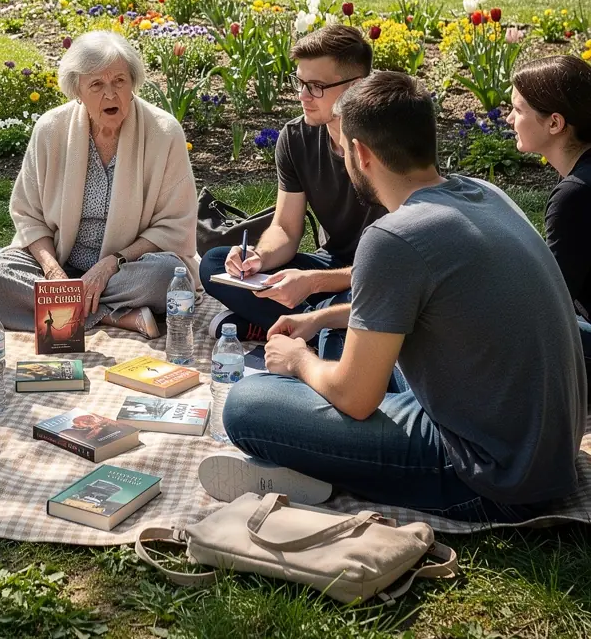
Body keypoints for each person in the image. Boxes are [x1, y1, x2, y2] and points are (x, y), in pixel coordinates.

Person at [200, 73, 586, 522]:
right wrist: (321, 321)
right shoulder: (484, 193)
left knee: (248, 405)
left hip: (491, 474)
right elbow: (432, 312)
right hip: (544, 453)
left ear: (362, 153)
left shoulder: (393, 237)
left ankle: (312, 461)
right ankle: (327, 439)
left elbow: (355, 397)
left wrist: (297, 360)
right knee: (336, 335)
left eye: (342, 148)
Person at [0, 31, 197, 339]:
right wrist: (53, 274)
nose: (111, 95)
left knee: (167, 277)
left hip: (128, 268)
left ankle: (61, 312)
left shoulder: (165, 132)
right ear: (77, 90)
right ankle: (114, 318)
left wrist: (109, 266)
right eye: (97, 85)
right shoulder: (50, 129)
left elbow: (174, 225)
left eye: (119, 81)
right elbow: (28, 216)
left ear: (133, 84)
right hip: (61, 262)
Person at [200, 26, 382, 342]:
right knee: (215, 265)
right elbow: (285, 228)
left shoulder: (387, 143)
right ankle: (318, 327)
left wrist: (312, 283)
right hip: (333, 262)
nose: (302, 96)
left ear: (356, 87)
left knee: (375, 302)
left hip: (381, 274)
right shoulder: (297, 138)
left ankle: (297, 325)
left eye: (316, 86)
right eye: (299, 83)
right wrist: (258, 258)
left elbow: (399, 268)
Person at [507, 55, 591, 388]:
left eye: (519, 110)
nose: (510, 119)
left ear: (554, 123)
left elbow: (548, 302)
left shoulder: (575, 195)